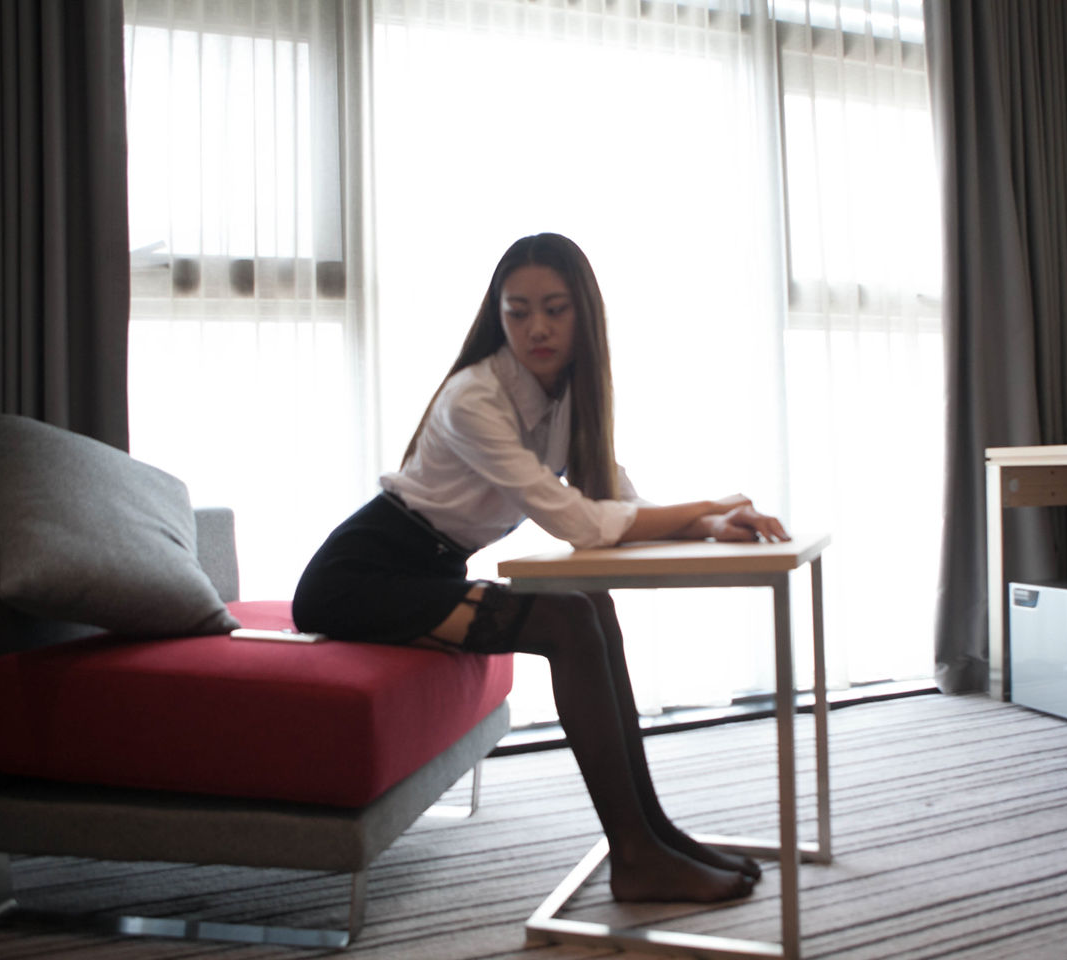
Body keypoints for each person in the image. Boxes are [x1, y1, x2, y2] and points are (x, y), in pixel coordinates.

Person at [293, 232, 789, 904]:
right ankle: (635, 855)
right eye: (518, 311)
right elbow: (577, 523)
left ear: (583, 314)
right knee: (566, 621)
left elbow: (614, 499)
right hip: (360, 578)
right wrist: (708, 504)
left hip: (427, 571)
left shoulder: (566, 396)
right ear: (497, 316)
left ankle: (654, 832)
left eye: (555, 309)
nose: (537, 328)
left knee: (591, 603)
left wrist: (708, 525)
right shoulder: (474, 397)